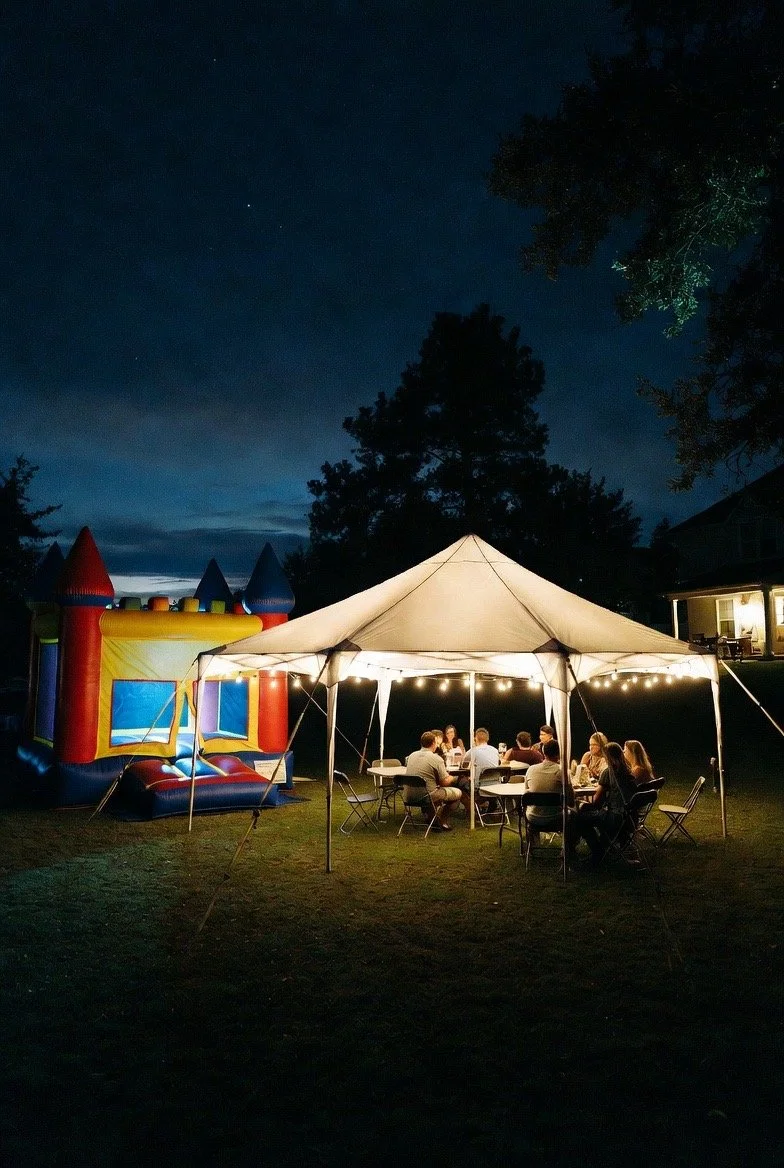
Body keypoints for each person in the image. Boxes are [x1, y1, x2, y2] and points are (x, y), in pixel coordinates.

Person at [575, 741, 637, 864]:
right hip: (630, 818)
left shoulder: (609, 772)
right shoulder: (629, 772)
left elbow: (596, 802)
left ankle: (597, 852)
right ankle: (606, 844)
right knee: (592, 815)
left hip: (615, 818)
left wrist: (581, 803)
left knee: (580, 819)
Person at [403, 730, 466, 829]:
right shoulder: (436, 758)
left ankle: (431, 818)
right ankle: (442, 821)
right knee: (458, 793)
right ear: (433, 743)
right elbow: (444, 782)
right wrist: (454, 778)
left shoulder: (411, 756)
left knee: (433, 788)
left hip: (408, 796)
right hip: (427, 796)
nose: (437, 745)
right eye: (436, 743)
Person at [524, 738, 576, 855]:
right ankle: (568, 848)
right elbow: (571, 801)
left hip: (532, 818)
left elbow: (527, 793)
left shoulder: (531, 769)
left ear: (543, 752)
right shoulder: (562, 771)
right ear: (559, 754)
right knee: (575, 814)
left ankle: (531, 845)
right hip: (556, 818)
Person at [457, 728, 500, 804]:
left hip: (479, 787)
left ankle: (470, 807)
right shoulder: (495, 750)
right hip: (495, 785)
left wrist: (473, 746)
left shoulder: (473, 751)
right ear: (488, 739)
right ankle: (489, 803)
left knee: (460, 781)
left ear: (475, 739)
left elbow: (463, 765)